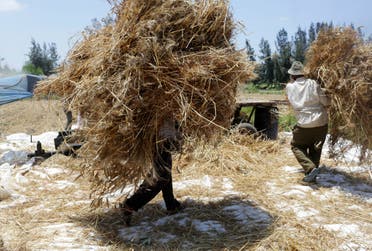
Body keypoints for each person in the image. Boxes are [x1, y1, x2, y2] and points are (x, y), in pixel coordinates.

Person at [119, 117, 183, 225]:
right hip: (158, 132)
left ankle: (171, 204)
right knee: (161, 175)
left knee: (165, 169)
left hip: (164, 129)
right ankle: (130, 205)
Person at [286, 61, 330, 183]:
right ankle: (312, 175)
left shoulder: (289, 87)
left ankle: (310, 170)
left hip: (304, 123)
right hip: (321, 122)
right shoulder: (313, 83)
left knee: (296, 146)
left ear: (292, 76)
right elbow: (326, 102)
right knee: (316, 148)